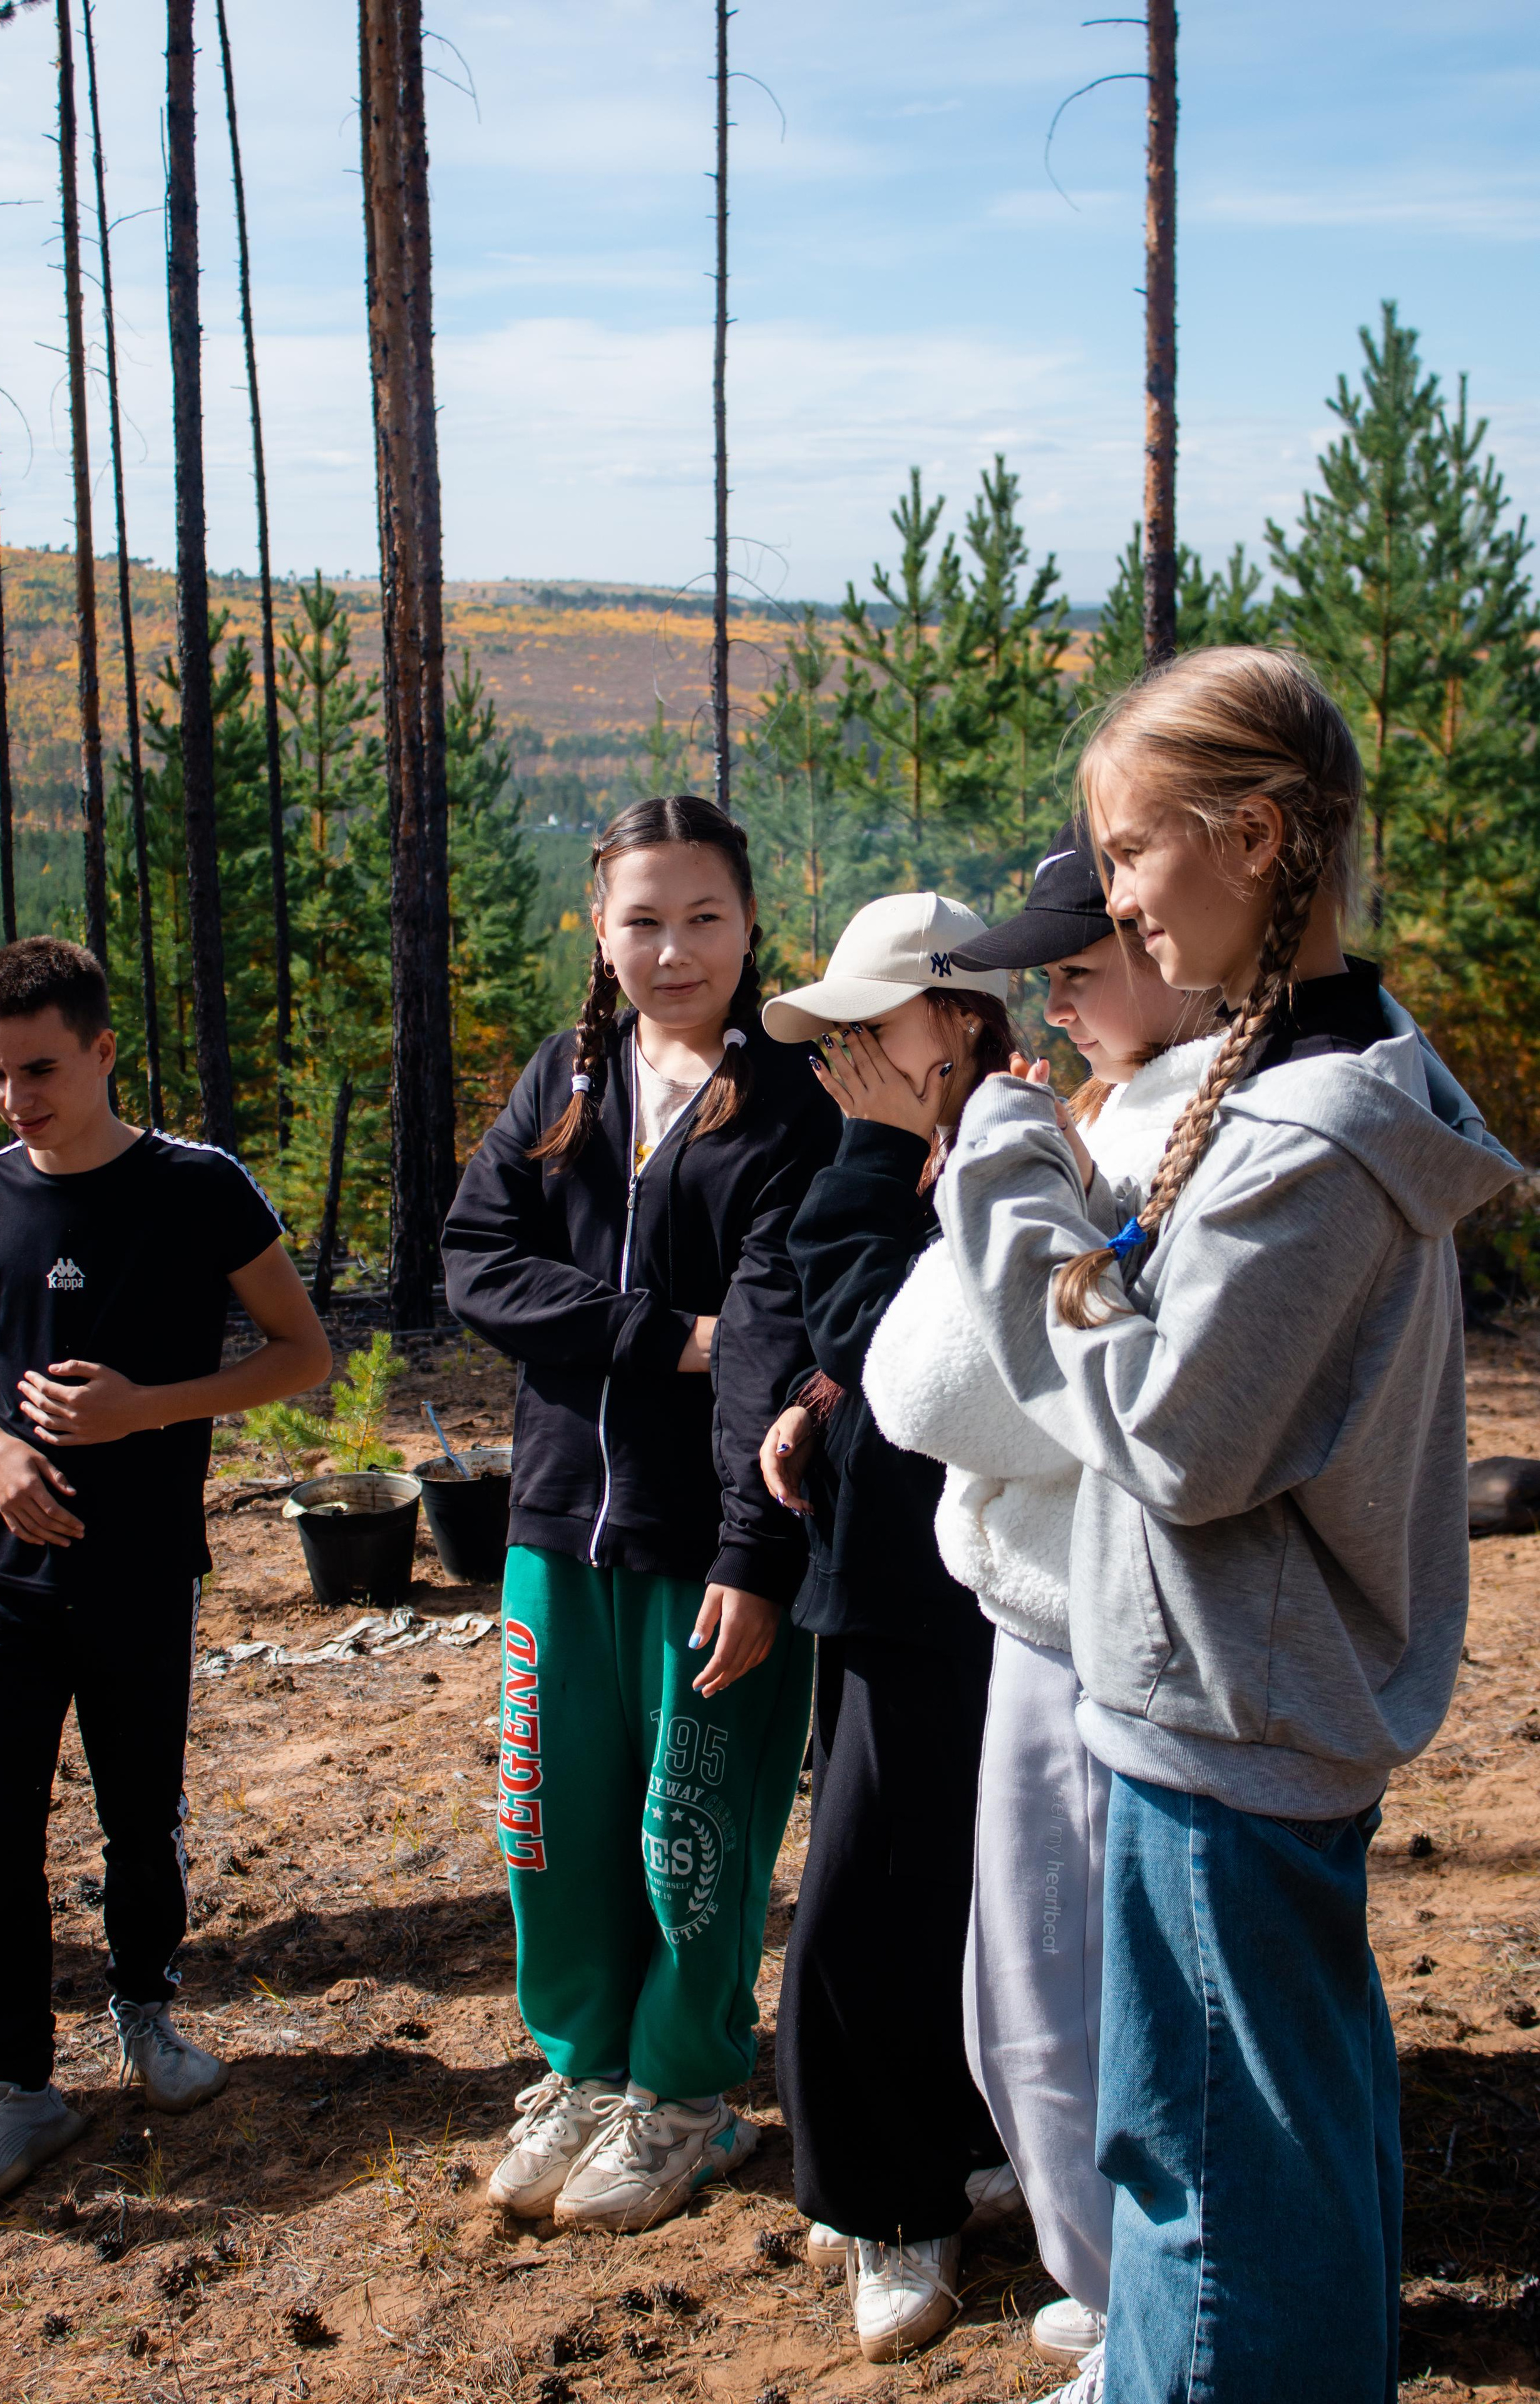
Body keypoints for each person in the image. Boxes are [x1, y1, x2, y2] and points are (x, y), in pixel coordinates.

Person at [933, 650, 1517, 2404]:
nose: (1107, 898)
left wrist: (1006, 1166)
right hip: (1231, 1710)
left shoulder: (1313, 1145)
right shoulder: (1300, 1093)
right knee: (1273, 2144)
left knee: (1203, 2179)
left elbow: (1174, 1437)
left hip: (1224, 1738)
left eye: (1127, 852)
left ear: (1257, 838)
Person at [441, 795, 838, 2233]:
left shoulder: (794, 1101)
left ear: (746, 924)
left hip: (712, 1542)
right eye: (640, 920)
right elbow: (475, 1262)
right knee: (543, 1821)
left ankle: (682, 2091)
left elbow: (780, 1339)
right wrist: (659, 1331)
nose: (672, 949)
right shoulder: (565, 1075)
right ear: (598, 934)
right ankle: (586, 2066)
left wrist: (755, 1548)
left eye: (703, 918)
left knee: (695, 1829)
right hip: (557, 1522)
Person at [861, 829, 1218, 2374]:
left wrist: (998, 1221)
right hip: (1044, 1611)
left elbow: (961, 1385)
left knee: (1083, 2002)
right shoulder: (1105, 1108)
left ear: (1167, 946)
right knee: (1028, 1987)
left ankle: (1144, 2319)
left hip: (1106, 1632)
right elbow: (930, 1371)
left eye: (1077, 968)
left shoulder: (1173, 1128)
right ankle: (1116, 2287)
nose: (1053, 1003)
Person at [0, 937, 332, 2218]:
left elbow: (300, 1355)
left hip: (142, 1567)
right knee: (0, 1835)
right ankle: (15, 2087)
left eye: (40, 1068)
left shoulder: (196, 1187)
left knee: (138, 1809)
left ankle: (148, 2011)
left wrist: (147, 1411)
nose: (17, 1097)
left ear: (103, 1051)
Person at [754, 893, 1025, 2363]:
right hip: (887, 1573)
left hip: (969, 1584)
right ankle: (879, 2188)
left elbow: (914, 1332)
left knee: (938, 1883)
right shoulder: (926, 1149)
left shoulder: (1010, 1147)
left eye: (872, 1023)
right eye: (833, 1031)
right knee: (876, 1877)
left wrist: (864, 1162)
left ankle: (929, 2161)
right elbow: (864, 1346)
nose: (842, 1055)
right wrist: (813, 1399)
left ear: (961, 1023)